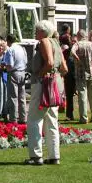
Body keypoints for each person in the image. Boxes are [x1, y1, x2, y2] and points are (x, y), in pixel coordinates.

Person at [26, 20, 63, 165]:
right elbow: (64, 67)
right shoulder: (56, 43)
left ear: (42, 31)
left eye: (36, 30)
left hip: (43, 84)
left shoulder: (44, 42)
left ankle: (36, 156)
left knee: (34, 119)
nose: (35, 33)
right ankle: (54, 156)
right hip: (55, 83)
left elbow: (49, 62)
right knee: (52, 121)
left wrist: (41, 75)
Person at [71, 30, 92, 124]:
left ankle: (84, 117)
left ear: (78, 36)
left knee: (82, 95)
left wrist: (76, 57)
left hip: (81, 72)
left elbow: (72, 51)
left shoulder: (78, 44)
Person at [4, 34, 28, 124]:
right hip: (22, 72)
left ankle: (13, 118)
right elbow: (26, 61)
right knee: (22, 97)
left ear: (8, 41)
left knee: (13, 97)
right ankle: (23, 117)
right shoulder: (21, 48)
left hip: (13, 72)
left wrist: (4, 67)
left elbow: (10, 64)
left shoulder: (10, 50)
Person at [59, 25, 76, 121]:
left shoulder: (61, 47)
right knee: (69, 92)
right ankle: (70, 114)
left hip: (65, 71)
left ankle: (69, 113)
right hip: (70, 70)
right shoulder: (68, 49)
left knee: (68, 93)